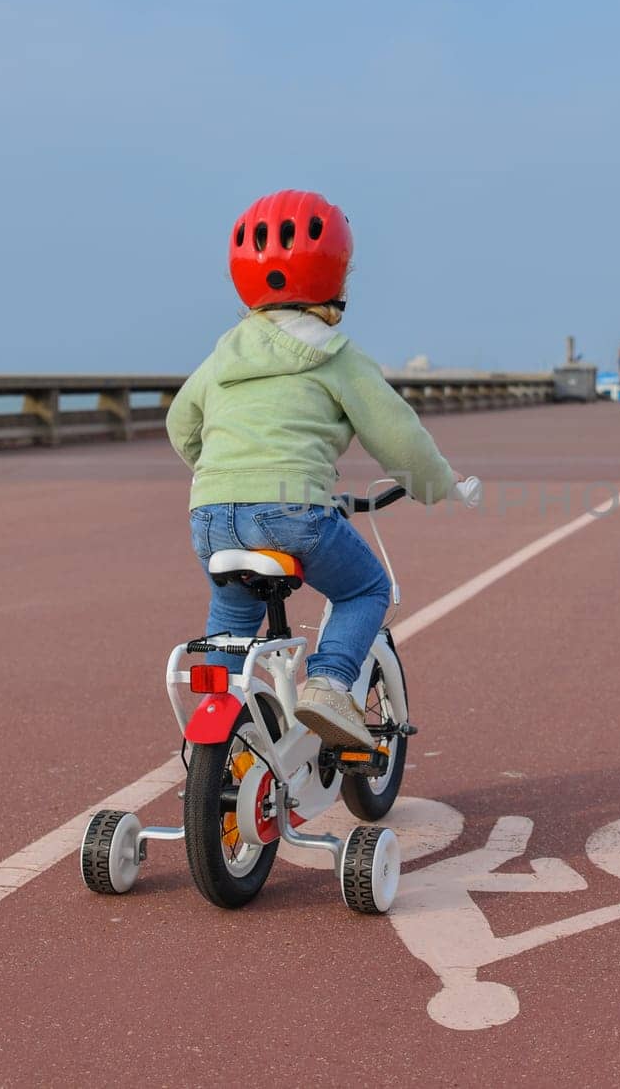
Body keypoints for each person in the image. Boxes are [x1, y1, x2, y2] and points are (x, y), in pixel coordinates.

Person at [166, 189, 460, 750]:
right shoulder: (338, 356)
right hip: (293, 512)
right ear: (336, 275)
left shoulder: (223, 354)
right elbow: (398, 437)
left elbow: (182, 424)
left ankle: (220, 724)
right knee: (366, 590)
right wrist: (435, 483)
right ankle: (327, 686)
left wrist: (223, 477)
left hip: (210, 519)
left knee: (232, 623)